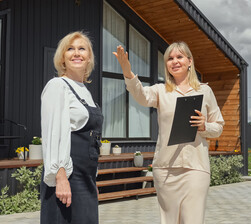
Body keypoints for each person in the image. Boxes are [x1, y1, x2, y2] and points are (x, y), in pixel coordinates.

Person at [113, 42, 224, 224]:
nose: (174, 61)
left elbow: (218, 126)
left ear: (190, 61)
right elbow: (140, 95)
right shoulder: (160, 91)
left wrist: (206, 126)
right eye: (170, 58)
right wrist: (128, 72)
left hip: (196, 167)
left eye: (179, 57)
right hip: (166, 169)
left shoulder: (205, 91)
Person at [40, 31, 103, 223]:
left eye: (82, 49)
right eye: (70, 49)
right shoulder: (58, 85)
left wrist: (93, 178)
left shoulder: (85, 91)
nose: (76, 53)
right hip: (67, 174)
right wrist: (60, 177)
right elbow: (53, 134)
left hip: (86, 176)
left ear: (89, 57)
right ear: (62, 58)